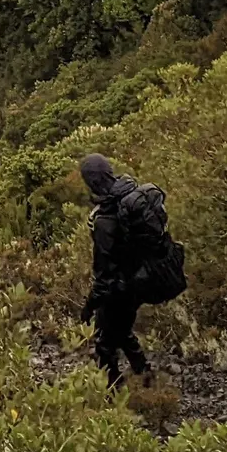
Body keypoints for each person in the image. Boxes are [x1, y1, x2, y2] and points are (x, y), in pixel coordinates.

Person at [80, 151, 166, 387]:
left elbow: (103, 275)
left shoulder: (104, 220)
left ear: (91, 182)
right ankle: (146, 376)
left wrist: (89, 306)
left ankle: (113, 393)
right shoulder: (131, 193)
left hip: (119, 287)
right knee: (122, 329)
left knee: (105, 342)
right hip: (139, 279)